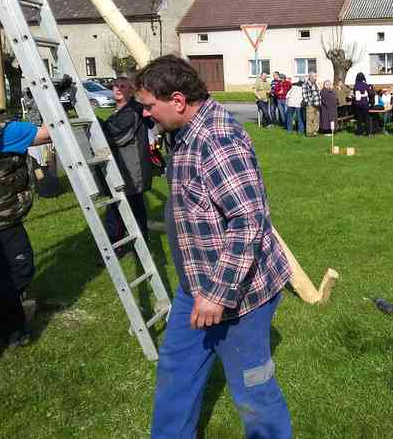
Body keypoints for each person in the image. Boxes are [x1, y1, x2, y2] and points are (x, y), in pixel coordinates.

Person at [134, 55, 293, 439]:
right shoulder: (184, 130)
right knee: (176, 372)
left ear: (177, 100)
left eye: (149, 106)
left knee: (253, 389)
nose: (145, 114)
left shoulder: (217, 141)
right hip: (195, 286)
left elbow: (248, 220)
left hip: (241, 296)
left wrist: (218, 294)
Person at [0, 115, 51, 347]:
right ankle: (12, 328)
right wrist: (54, 105)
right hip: (4, 221)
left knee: (6, 274)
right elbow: (48, 133)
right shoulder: (8, 131)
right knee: (20, 271)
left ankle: (14, 331)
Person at [100, 77, 153, 246]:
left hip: (131, 167)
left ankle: (118, 242)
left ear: (130, 90)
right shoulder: (121, 110)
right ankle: (133, 239)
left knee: (123, 204)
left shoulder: (132, 111)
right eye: (115, 86)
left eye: (123, 86)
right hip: (123, 165)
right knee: (130, 204)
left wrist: (96, 125)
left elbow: (117, 136)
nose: (118, 89)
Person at [302, 72, 321, 137]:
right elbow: (304, 95)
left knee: (316, 118)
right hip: (311, 104)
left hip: (317, 104)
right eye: (314, 76)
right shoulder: (306, 84)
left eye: (316, 76)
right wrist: (308, 102)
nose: (315, 78)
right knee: (310, 119)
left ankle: (315, 131)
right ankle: (309, 133)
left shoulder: (315, 84)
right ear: (310, 77)